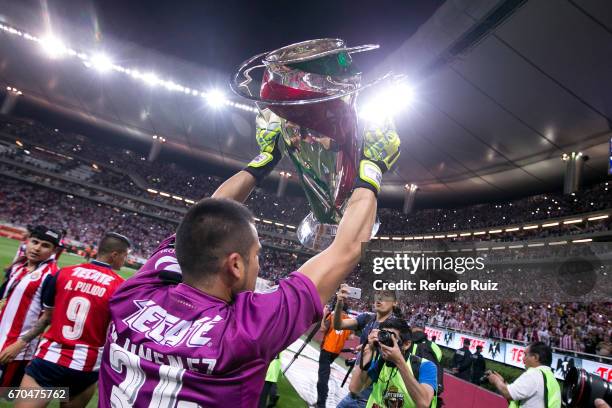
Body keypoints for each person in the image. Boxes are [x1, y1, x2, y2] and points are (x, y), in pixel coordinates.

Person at [96, 109, 400, 407]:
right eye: (257, 256)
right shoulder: (249, 329)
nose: (259, 264)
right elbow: (345, 248)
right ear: (235, 265)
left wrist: (265, 157)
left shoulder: (134, 294)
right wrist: (372, 166)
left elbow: (204, 220)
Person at [13, 232, 131, 408]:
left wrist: (20, 343)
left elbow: (47, 317)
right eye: (125, 255)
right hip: (86, 369)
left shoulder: (63, 274)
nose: (125, 260)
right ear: (115, 255)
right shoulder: (121, 287)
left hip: (49, 360)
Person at [0, 225, 60, 387]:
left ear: (54, 251)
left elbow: (48, 317)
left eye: (45, 245)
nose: (37, 248)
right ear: (28, 241)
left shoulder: (52, 275)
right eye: (35, 242)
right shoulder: (20, 267)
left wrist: (20, 344)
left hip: (15, 350)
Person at [335, 287, 401, 408]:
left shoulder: (396, 327)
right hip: (355, 392)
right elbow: (338, 324)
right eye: (377, 294)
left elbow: (394, 358)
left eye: (386, 295)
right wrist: (339, 303)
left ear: (395, 302)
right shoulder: (367, 317)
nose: (379, 298)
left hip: (371, 397)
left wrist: (372, 347)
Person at [350, 318, 437, 408]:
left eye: (391, 337)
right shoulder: (380, 360)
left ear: (406, 344)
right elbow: (354, 388)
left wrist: (399, 361)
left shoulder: (425, 366)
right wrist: (369, 351)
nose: (384, 343)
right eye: (383, 335)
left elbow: (424, 403)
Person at [487, 341, 561, 408]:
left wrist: (495, 380)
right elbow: (521, 393)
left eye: (525, 355)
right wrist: (503, 382)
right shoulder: (552, 380)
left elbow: (508, 393)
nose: (523, 359)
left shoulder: (534, 374)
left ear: (535, 357)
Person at [317, 302, 352, 408]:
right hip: (336, 352)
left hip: (327, 349)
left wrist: (324, 315)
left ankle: (321, 403)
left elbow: (323, 329)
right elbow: (349, 337)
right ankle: (321, 401)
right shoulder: (349, 320)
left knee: (323, 377)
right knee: (324, 375)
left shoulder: (332, 316)